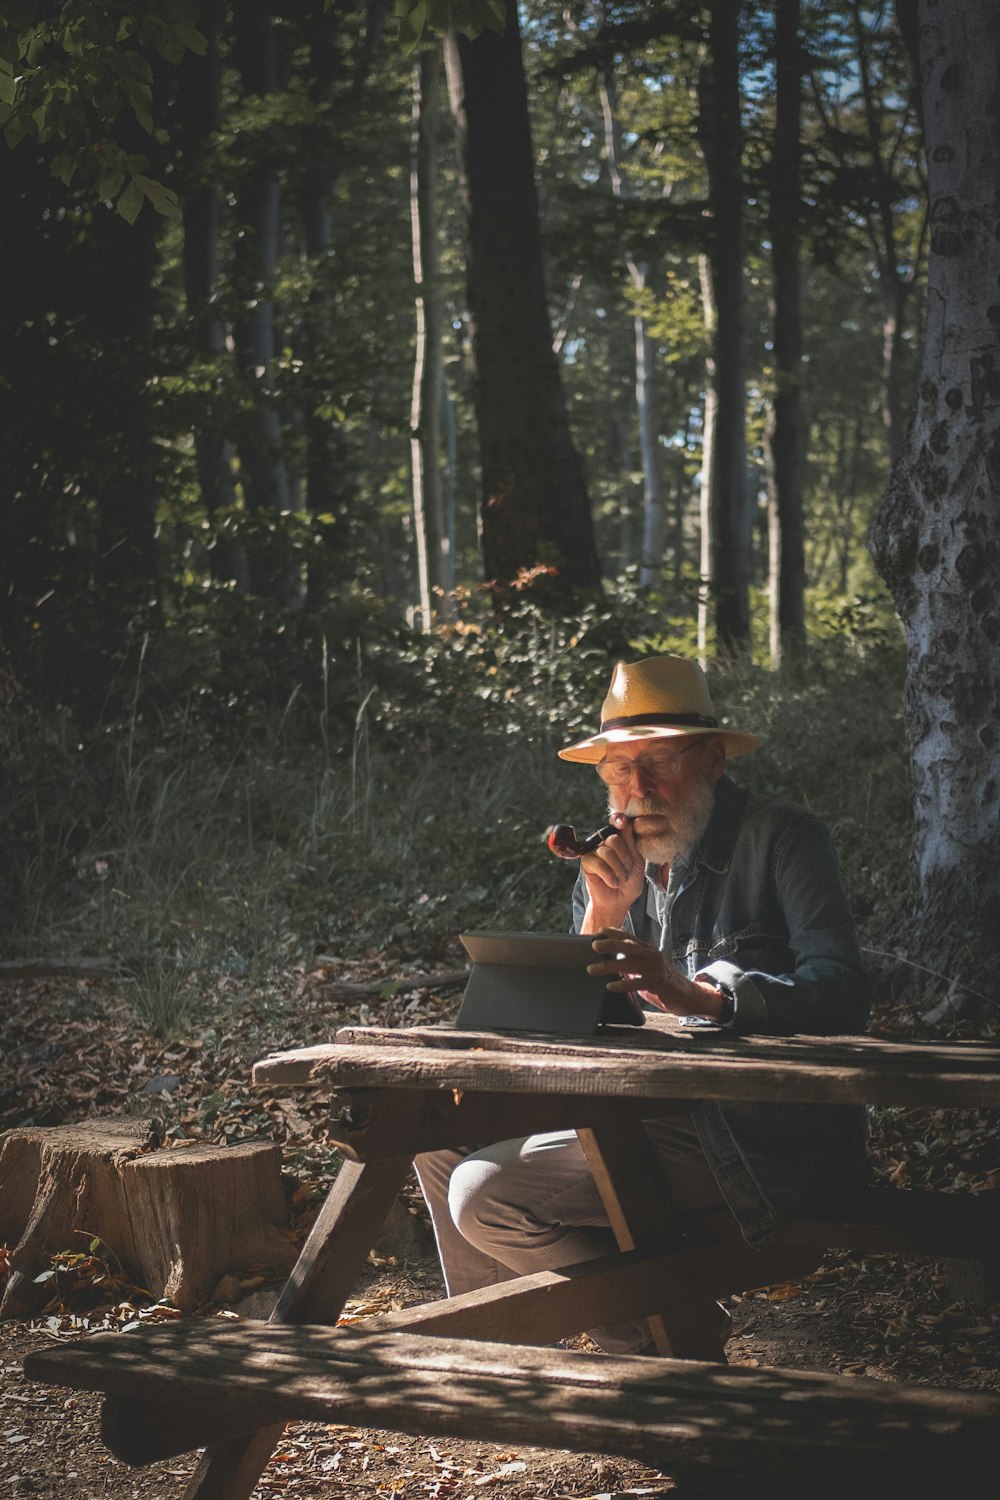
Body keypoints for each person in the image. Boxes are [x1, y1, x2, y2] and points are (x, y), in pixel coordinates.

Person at [415, 655, 871, 1352]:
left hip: (753, 1136)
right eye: (619, 771)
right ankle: (513, 1362)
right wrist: (601, 918)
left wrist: (700, 995)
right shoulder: (609, 868)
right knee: (435, 1140)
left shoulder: (783, 839)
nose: (638, 791)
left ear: (714, 760)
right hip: (632, 1112)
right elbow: (575, 1033)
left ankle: (655, 1353)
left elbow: (841, 993)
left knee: (483, 1193)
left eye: (658, 763)